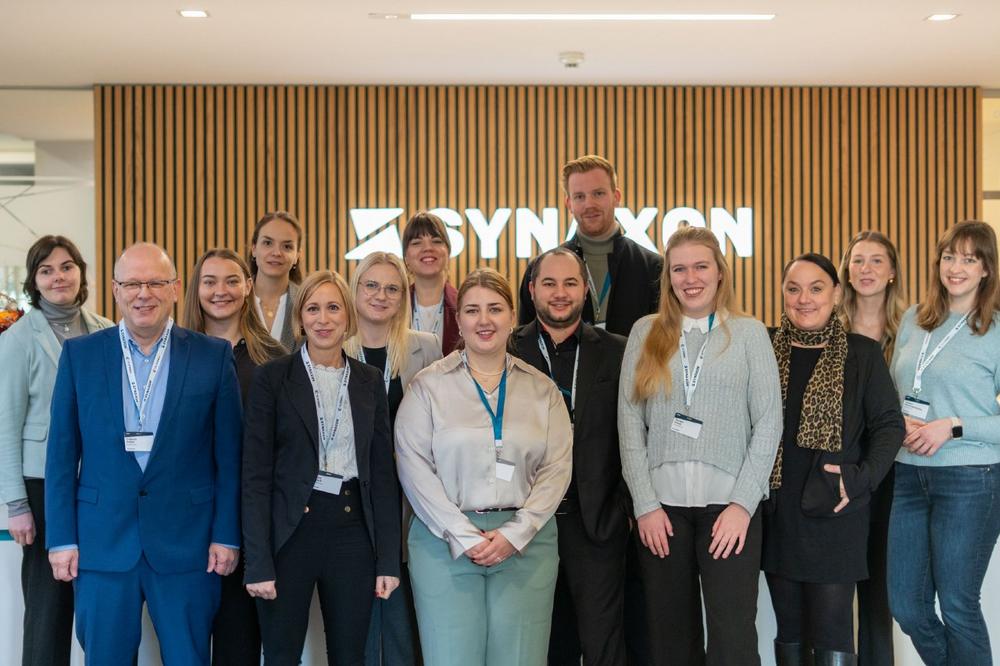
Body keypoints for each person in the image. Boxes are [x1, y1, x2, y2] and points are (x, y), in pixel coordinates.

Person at [45, 242, 243, 665]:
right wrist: (61, 538)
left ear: (175, 288)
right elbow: (61, 456)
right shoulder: (80, 355)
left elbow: (229, 458)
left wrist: (226, 534)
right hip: (102, 544)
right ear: (115, 289)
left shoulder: (212, 356)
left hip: (188, 544)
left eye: (155, 282)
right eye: (132, 283)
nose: (143, 294)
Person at [618, 226, 782, 666]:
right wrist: (644, 505)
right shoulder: (645, 332)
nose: (690, 278)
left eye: (700, 266)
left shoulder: (749, 334)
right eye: (679, 269)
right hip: (661, 513)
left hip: (729, 511)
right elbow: (629, 422)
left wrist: (743, 505)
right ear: (668, 277)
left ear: (720, 272)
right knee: (671, 640)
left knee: (733, 641)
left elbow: (769, 422)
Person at [395, 268, 572, 666]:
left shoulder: (542, 390)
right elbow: (414, 469)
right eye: (472, 310)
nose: (484, 320)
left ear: (512, 316)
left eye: (495, 308)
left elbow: (557, 468)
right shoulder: (427, 387)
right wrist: (463, 536)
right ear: (459, 320)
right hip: (444, 542)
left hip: (526, 542)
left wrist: (516, 532)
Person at [242, 270, 401, 665]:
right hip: (289, 536)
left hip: (352, 534)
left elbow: (382, 477)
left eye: (333, 308)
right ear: (300, 318)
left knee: (349, 656)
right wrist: (257, 562)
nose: (323, 319)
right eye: (312, 309)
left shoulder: (369, 380)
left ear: (348, 316)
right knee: (281, 656)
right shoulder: (272, 378)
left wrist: (388, 560)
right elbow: (255, 477)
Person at [763, 253, 903, 666]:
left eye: (816, 288)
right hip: (778, 514)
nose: (804, 299)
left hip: (836, 514)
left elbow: (889, 427)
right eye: (793, 289)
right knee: (789, 632)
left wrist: (860, 479)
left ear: (837, 294)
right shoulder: (765, 347)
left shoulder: (863, 354)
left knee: (833, 634)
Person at [888, 220, 1000, 666]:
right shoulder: (914, 319)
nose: (956, 268)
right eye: (950, 257)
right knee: (907, 606)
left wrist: (952, 426)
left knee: (957, 604)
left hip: (970, 479)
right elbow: (898, 390)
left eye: (970, 259)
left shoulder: (995, 329)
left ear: (986, 269)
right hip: (908, 474)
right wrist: (897, 421)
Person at [512, 247, 630, 666]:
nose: (559, 293)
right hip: (526, 524)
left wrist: (623, 510)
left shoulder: (619, 351)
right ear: (532, 289)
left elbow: (636, 433)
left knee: (603, 644)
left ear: (585, 290)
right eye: (549, 283)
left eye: (570, 283)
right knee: (543, 646)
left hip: (595, 523)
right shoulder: (508, 349)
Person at [0, 236, 112, 666]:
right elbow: (5, 426)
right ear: (34, 281)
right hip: (42, 487)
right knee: (49, 610)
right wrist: (16, 504)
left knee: (98, 605)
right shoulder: (17, 339)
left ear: (81, 272)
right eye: (46, 270)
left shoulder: (105, 329)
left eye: (66, 267)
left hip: (98, 484)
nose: (58, 277)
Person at [182, 248, 286, 665]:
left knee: (237, 644)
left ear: (248, 287)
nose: (220, 291)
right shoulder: (173, 354)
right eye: (209, 281)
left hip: (249, 523)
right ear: (196, 289)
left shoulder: (275, 359)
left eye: (231, 281)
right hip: (186, 521)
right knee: (183, 644)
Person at [343, 252, 441, 666]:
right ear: (355, 290)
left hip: (408, 498)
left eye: (392, 288)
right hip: (350, 499)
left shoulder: (426, 347)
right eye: (371, 285)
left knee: (403, 618)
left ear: (404, 296)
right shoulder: (332, 344)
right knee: (356, 616)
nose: (380, 296)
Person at [837, 231, 906, 666]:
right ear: (846, 270)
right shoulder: (829, 327)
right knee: (835, 592)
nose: (866, 269)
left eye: (877, 260)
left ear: (892, 271)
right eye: (858, 260)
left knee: (879, 593)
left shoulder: (914, 331)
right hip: (840, 472)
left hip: (895, 472)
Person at [518, 154, 662, 336]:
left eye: (598, 193)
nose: (589, 204)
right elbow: (525, 341)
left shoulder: (654, 268)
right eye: (579, 196)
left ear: (616, 197)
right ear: (569, 204)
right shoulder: (539, 269)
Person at [402, 211, 460, 355]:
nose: (428, 248)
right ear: (406, 257)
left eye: (436, 241)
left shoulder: (463, 305)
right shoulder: (394, 307)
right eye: (417, 243)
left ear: (448, 252)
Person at [249, 210, 304, 351]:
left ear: (297, 255)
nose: (276, 253)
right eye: (268, 243)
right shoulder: (235, 299)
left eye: (287, 246)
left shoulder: (306, 302)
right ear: (254, 248)